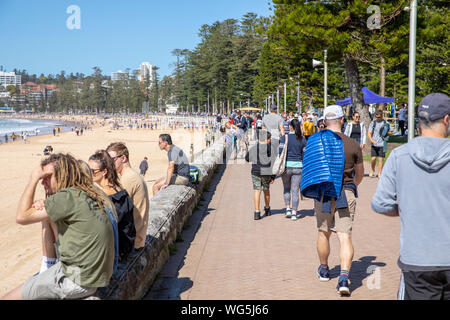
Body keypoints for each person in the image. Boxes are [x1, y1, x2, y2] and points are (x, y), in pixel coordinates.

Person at [1, 153, 115, 300]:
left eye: (47, 177)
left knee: (7, 298)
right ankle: (46, 267)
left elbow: (21, 217)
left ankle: (46, 267)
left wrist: (33, 179)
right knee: (48, 217)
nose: (43, 183)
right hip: (92, 277)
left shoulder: (67, 197)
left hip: (76, 280)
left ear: (62, 175)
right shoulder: (86, 194)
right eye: (42, 178)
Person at [371, 93, 450, 300]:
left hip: (417, 258)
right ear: (447, 120)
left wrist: (406, 207)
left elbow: (380, 203)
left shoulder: (399, 156)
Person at [309, 105, 364, 296]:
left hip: (323, 194)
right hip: (346, 192)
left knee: (323, 232)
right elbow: (360, 175)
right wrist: (350, 186)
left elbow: (311, 170)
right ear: (342, 120)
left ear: (324, 122)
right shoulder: (352, 144)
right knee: (345, 236)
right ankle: (343, 277)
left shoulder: (316, 142)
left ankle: (324, 269)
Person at [89, 150, 136, 261]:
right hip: (126, 245)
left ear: (104, 171)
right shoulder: (117, 187)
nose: (90, 174)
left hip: (120, 250)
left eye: (93, 171)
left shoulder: (108, 194)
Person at [107, 142, 149, 250]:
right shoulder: (131, 175)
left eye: (111, 160)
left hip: (133, 240)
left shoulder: (128, 178)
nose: (109, 164)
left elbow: (114, 209)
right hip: (136, 236)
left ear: (123, 158)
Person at [279, 119, 307, 221]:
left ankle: (287, 209)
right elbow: (305, 155)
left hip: (286, 167)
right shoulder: (302, 139)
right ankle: (294, 213)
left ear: (290, 127)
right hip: (298, 167)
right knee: (295, 190)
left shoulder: (284, 138)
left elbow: (280, 151)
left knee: (286, 188)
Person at [245, 130, 276, 220]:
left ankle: (257, 212)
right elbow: (273, 163)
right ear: (266, 139)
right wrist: (273, 176)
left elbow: (247, 159)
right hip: (266, 172)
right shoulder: (270, 149)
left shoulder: (254, 148)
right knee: (266, 190)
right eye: (269, 139)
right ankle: (267, 209)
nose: (270, 141)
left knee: (257, 191)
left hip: (255, 171)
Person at [368, 110, 392, 178]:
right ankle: (372, 170)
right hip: (374, 143)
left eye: (379, 117)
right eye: (376, 117)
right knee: (373, 159)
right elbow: (369, 133)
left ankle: (379, 173)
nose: (378, 118)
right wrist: (372, 140)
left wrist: (385, 132)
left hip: (382, 144)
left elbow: (390, 133)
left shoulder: (386, 123)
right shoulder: (373, 123)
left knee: (380, 160)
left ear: (382, 116)